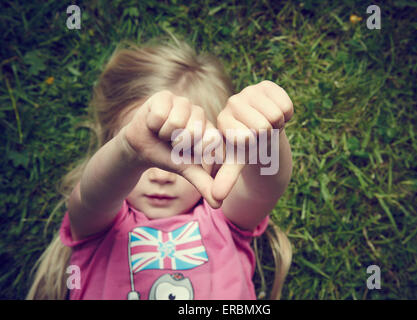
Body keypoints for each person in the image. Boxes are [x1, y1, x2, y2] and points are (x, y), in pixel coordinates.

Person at [27, 37, 293, 300]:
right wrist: (129, 150)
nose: (162, 175)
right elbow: (92, 195)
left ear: (218, 154)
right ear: (111, 143)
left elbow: (262, 188)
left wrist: (266, 137)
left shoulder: (221, 219)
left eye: (188, 150)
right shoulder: (100, 224)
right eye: (145, 158)